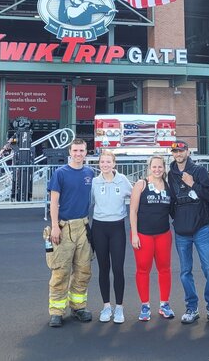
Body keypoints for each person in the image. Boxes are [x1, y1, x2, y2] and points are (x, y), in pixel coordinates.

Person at [166, 140, 209, 325]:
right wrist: (177, 219)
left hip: (201, 229)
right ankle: (192, 308)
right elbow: (172, 201)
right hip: (182, 230)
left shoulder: (199, 171)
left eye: (181, 150)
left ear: (187, 152)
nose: (178, 153)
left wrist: (192, 184)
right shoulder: (171, 174)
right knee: (185, 272)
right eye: (175, 151)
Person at [46, 138, 95, 327]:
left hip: (83, 227)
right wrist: (55, 226)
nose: (78, 154)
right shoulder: (60, 173)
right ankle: (56, 311)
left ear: (86, 152)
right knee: (60, 271)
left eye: (81, 150)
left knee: (83, 270)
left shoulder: (89, 173)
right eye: (75, 150)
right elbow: (54, 202)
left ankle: (78, 307)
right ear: (70, 152)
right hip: (63, 228)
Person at [129, 154, 174, 322]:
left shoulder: (168, 186)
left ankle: (164, 304)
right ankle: (145, 305)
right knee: (143, 270)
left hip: (163, 234)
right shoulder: (141, 184)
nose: (157, 170)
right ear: (149, 168)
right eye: (154, 167)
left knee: (165, 269)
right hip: (143, 235)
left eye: (160, 167)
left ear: (164, 168)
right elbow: (133, 211)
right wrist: (134, 234)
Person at [90, 150, 133, 323]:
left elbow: (136, 195)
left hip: (117, 228)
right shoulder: (94, 182)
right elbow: (88, 203)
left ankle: (119, 308)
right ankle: (106, 306)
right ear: (99, 164)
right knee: (103, 269)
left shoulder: (122, 180)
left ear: (114, 164)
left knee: (118, 268)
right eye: (102, 162)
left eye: (108, 162)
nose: (105, 165)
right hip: (99, 227)